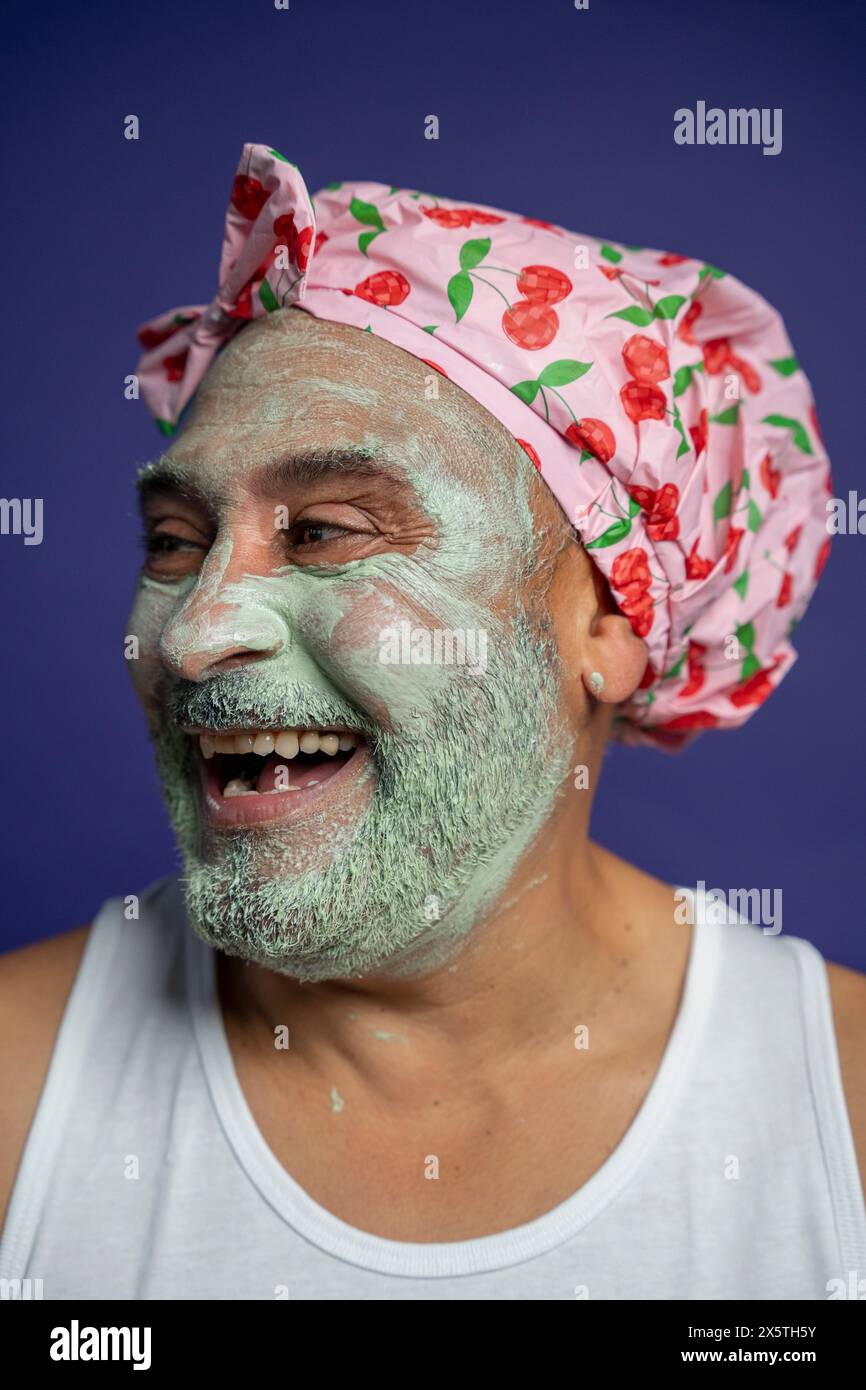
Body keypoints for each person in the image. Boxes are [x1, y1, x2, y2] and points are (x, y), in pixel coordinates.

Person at [1, 144, 863, 1301]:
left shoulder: (840, 1117)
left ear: (606, 622)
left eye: (324, 531)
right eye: (174, 542)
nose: (194, 635)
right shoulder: (18, 1097)